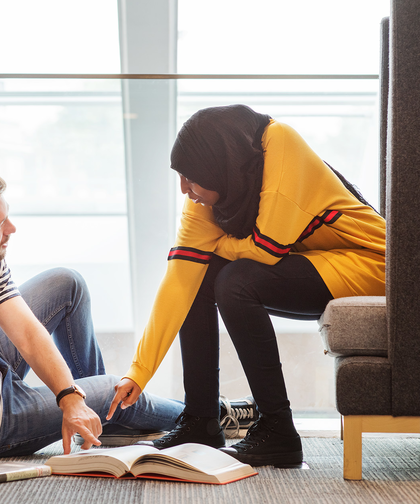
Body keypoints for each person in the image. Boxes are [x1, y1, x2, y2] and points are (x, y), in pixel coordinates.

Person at [107, 104, 386, 467]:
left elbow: (267, 250)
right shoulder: (209, 195)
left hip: (371, 262)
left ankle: (278, 430)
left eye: (189, 177)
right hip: (319, 263)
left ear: (215, 165)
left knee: (235, 280)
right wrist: (138, 372)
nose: (183, 189)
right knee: (202, 275)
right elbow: (178, 282)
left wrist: (215, 246)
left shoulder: (279, 142)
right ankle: (200, 421)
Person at [0, 167, 187, 490]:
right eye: (0, 225)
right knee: (116, 388)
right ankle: (207, 414)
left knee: (66, 283)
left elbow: (27, 334)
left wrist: (71, 398)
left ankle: (95, 418)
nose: (11, 229)